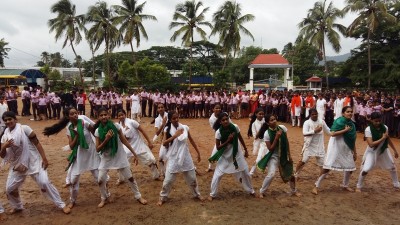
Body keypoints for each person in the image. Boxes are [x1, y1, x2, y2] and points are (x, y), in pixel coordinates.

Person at [0, 111, 71, 214]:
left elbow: (37, 143)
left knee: (44, 182)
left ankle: (61, 204)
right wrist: (4, 146)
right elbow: (2, 155)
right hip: (17, 164)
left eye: (10, 119)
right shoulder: (5, 136)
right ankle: (18, 206)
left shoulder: (24, 129)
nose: (8, 121)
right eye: (5, 120)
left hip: (34, 161)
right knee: (10, 189)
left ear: (15, 119)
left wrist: (44, 158)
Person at [43, 107, 101, 209]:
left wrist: (100, 146)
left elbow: (95, 132)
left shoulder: (83, 121)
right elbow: (71, 146)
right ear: (67, 116)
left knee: (99, 178)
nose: (75, 115)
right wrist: (77, 137)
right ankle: (72, 201)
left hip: (91, 152)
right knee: (74, 180)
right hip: (79, 154)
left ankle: (106, 196)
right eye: (72, 114)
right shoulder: (69, 128)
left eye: (76, 113)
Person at [94, 108, 147, 207]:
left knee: (130, 178)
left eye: (105, 114)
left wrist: (134, 153)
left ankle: (138, 196)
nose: (103, 117)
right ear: (98, 117)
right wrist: (106, 140)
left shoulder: (116, 126)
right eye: (101, 115)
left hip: (119, 155)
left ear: (108, 115)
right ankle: (104, 197)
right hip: (106, 157)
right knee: (100, 179)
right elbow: (97, 149)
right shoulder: (97, 131)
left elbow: (124, 141)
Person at [157, 111, 204, 206]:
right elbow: (164, 143)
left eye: (177, 117)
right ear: (170, 120)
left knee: (192, 178)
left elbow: (191, 140)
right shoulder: (167, 129)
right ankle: (163, 197)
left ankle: (196, 194)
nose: (176, 120)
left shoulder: (185, 127)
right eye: (174, 118)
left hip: (186, 156)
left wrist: (198, 153)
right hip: (174, 157)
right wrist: (175, 136)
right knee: (168, 180)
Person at [208, 112, 255, 201]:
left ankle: (251, 190)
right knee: (218, 175)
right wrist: (228, 140)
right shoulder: (218, 132)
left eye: (227, 119)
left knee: (245, 172)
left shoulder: (235, 127)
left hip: (236, 153)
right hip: (225, 154)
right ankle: (212, 194)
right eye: (223, 120)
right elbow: (218, 147)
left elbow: (240, 138)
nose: (226, 121)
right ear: (220, 122)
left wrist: (245, 149)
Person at [312, 106, 357, 195]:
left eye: (351, 112)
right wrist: (345, 130)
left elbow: (352, 139)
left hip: (346, 148)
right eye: (348, 112)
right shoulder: (339, 121)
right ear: (343, 113)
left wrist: (354, 151)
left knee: (350, 167)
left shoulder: (352, 124)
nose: (350, 113)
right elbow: (332, 134)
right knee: (327, 167)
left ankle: (345, 185)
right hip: (336, 147)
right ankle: (316, 186)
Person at [257, 114, 300, 198]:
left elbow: (286, 142)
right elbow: (270, 149)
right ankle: (261, 191)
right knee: (271, 174)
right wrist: (276, 137)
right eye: (271, 120)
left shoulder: (282, 128)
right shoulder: (267, 133)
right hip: (273, 156)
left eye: (274, 119)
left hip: (283, 155)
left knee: (291, 174)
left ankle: (293, 190)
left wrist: (289, 155)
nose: (274, 121)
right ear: (268, 123)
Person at [356, 112, 400, 192]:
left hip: (383, 150)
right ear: (371, 120)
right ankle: (359, 185)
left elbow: (388, 138)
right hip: (372, 151)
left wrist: (395, 150)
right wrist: (383, 138)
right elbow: (371, 144)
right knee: (366, 169)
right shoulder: (368, 129)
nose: (378, 123)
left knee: (392, 167)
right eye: (376, 121)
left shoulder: (385, 127)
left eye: (380, 121)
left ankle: (396, 184)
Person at [117, 109, 160, 182]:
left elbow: (142, 131)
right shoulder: (118, 126)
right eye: (119, 115)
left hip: (139, 145)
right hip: (128, 148)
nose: (121, 117)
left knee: (151, 160)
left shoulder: (132, 122)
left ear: (125, 115)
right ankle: (121, 179)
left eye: (122, 115)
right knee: (121, 163)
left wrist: (149, 142)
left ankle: (156, 175)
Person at [294, 109, 330, 180]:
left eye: (316, 114)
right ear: (310, 115)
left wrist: (336, 132)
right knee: (303, 161)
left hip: (319, 145)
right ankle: (296, 174)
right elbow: (304, 133)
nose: (315, 115)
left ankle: (322, 175)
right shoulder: (307, 123)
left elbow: (328, 131)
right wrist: (315, 131)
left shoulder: (321, 121)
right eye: (313, 114)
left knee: (322, 163)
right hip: (309, 145)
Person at [248, 108, 266, 176]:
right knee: (259, 157)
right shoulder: (254, 124)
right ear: (256, 114)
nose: (261, 115)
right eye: (260, 114)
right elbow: (255, 136)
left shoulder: (265, 121)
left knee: (261, 157)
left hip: (265, 142)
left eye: (262, 114)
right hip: (258, 142)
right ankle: (253, 170)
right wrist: (261, 128)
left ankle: (252, 171)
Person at [206, 104, 222, 172]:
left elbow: (231, 124)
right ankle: (210, 167)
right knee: (215, 152)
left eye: (219, 108)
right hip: (219, 137)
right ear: (213, 109)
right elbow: (215, 129)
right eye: (216, 108)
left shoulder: (224, 115)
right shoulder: (211, 119)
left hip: (228, 135)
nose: (218, 109)